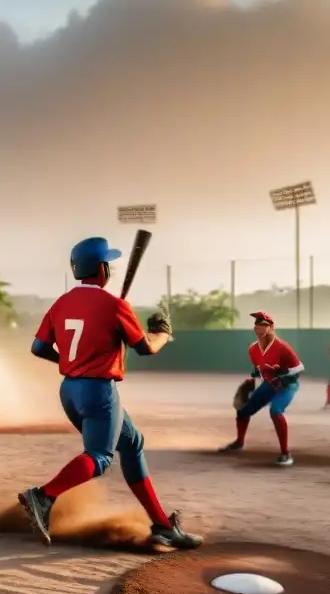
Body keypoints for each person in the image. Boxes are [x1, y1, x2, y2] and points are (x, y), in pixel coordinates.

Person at [17, 236, 202, 550]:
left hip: (70, 391)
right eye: (108, 264)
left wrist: (72, 359)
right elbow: (146, 348)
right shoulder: (115, 305)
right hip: (98, 390)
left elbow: (39, 347)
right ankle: (44, 496)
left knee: (132, 444)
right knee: (100, 456)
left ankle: (161, 526)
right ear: (101, 268)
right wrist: (162, 334)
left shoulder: (61, 303)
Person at [218, 311, 303, 466]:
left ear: (271, 327)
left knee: (275, 411)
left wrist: (281, 379)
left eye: (264, 325)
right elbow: (258, 368)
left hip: (287, 385)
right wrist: (252, 378)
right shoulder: (253, 349)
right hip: (269, 384)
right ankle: (239, 442)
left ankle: (286, 454)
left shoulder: (282, 347)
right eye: (257, 325)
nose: (260, 328)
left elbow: (298, 370)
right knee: (243, 411)